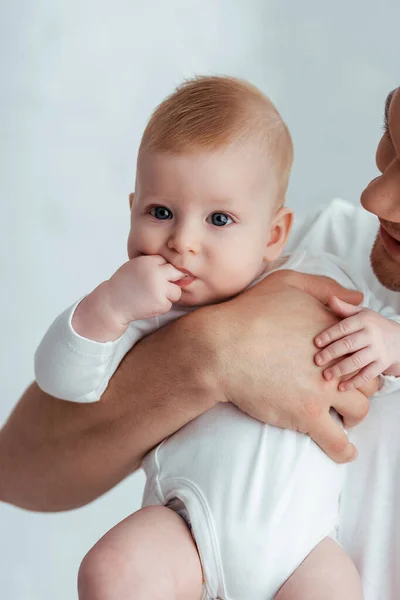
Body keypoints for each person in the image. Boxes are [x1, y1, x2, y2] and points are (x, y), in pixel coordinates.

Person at [1, 85, 400, 598]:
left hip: (304, 551)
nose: (184, 243)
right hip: (187, 523)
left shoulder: (308, 274)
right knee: (113, 569)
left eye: (217, 220)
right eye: (390, 134)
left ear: (274, 233)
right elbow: (26, 452)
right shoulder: (291, 263)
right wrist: (196, 345)